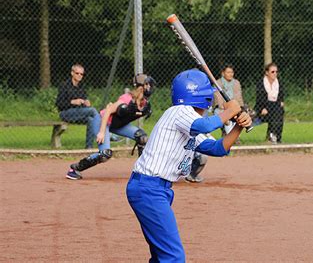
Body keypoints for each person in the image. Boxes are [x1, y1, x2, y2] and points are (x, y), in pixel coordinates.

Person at [126, 69, 251, 262]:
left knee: (161, 256)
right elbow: (205, 126)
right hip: (148, 189)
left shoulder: (190, 122)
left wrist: (238, 126)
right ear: (204, 98)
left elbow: (217, 148)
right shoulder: (179, 112)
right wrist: (231, 111)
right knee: (173, 257)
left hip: (156, 190)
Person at [65, 74, 155, 180]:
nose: (150, 87)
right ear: (141, 87)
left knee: (142, 137)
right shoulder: (127, 99)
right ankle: (74, 169)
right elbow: (108, 111)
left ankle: (142, 171)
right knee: (105, 154)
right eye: (147, 84)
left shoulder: (144, 104)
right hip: (103, 121)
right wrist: (102, 132)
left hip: (118, 125)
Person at [55, 63, 99, 149]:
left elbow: (85, 100)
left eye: (81, 74)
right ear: (72, 73)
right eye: (77, 73)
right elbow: (58, 103)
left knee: (91, 119)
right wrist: (72, 102)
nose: (79, 75)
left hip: (79, 113)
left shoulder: (81, 86)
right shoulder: (64, 85)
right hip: (65, 113)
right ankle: (106, 133)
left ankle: (88, 147)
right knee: (92, 111)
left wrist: (86, 102)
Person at [254, 62, 284, 144]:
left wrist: (274, 104)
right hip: (262, 109)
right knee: (278, 110)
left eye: (276, 72)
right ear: (267, 72)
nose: (275, 74)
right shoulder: (261, 83)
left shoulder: (279, 83)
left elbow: (281, 98)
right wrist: (265, 107)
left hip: (273, 109)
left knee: (278, 111)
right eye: (272, 72)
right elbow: (260, 100)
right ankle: (275, 136)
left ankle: (273, 136)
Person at [213, 64, 245, 139]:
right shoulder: (218, 83)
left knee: (238, 115)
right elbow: (218, 100)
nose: (231, 74)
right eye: (228, 72)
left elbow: (239, 98)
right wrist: (228, 109)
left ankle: (232, 137)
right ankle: (233, 138)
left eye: (232, 72)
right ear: (223, 73)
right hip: (221, 109)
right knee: (227, 118)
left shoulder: (236, 83)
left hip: (235, 108)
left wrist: (237, 108)